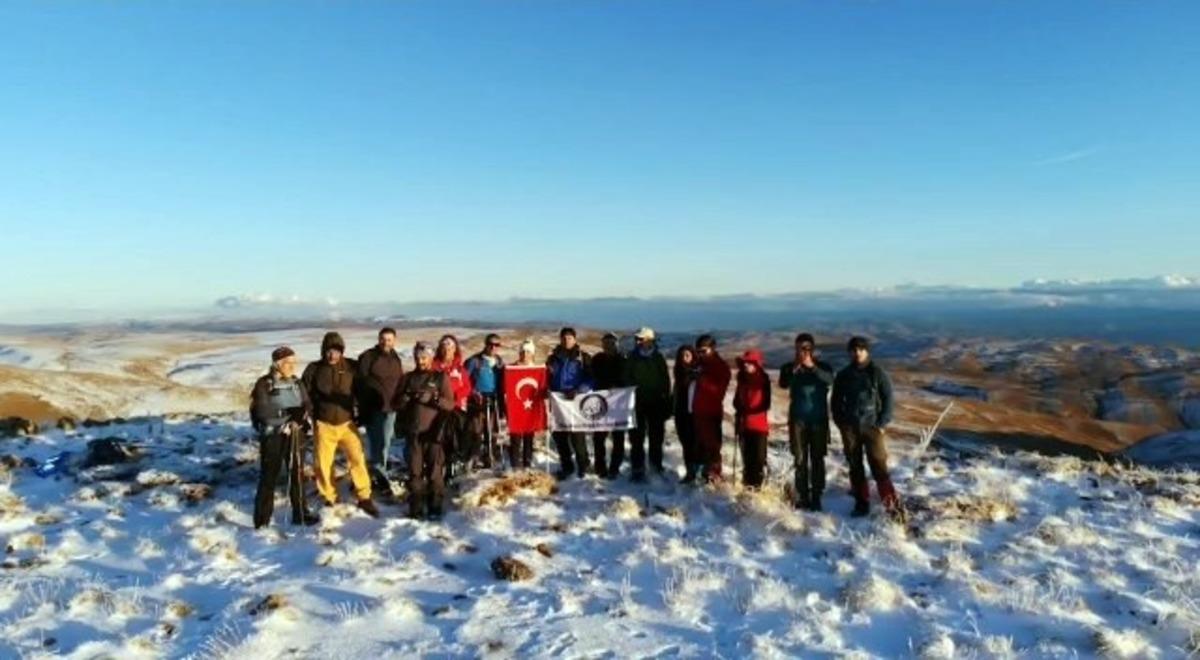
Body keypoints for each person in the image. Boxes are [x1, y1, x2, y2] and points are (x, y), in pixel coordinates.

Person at [302, 332, 379, 518]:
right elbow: (304, 393)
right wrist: (311, 414)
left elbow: (362, 390)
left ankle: (364, 496)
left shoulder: (351, 367)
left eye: (336, 351)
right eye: (329, 351)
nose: (332, 355)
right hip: (324, 423)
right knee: (323, 463)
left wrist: (363, 413)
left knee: (357, 458)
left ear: (342, 352)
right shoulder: (314, 369)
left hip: (347, 423)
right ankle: (329, 497)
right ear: (323, 351)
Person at [250, 346, 318, 528]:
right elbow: (262, 411)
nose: (292, 366)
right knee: (269, 476)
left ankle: (300, 513)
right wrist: (289, 414)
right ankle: (262, 520)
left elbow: (307, 404)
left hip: (295, 434)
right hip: (273, 435)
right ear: (277, 364)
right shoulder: (264, 384)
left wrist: (302, 416)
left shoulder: (297, 383)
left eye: (294, 362)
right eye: (288, 362)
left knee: (297, 473)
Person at [832, 336, 898, 518]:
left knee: (879, 464)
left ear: (867, 351)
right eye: (854, 350)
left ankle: (892, 506)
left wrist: (881, 423)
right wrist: (841, 423)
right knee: (855, 465)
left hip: (872, 427)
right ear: (849, 352)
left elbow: (888, 399)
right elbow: (836, 401)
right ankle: (861, 504)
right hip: (850, 428)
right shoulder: (844, 375)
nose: (857, 353)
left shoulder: (877, 373)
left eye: (861, 349)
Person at [394, 341, 456, 520]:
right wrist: (404, 399)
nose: (420, 361)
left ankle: (435, 506)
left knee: (434, 472)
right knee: (414, 472)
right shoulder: (407, 378)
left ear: (431, 358)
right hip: (414, 433)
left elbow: (450, 404)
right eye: (418, 357)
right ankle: (416, 507)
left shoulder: (440, 378)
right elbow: (395, 403)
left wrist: (434, 399)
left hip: (434, 433)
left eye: (424, 358)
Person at [779, 333, 834, 511]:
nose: (803, 351)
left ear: (813, 349)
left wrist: (813, 368)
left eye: (807, 348)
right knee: (800, 458)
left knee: (817, 459)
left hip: (819, 420)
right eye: (799, 348)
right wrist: (794, 370)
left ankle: (817, 495)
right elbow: (783, 384)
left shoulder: (823, 367)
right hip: (798, 421)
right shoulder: (789, 367)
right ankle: (803, 495)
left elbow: (829, 380)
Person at [356, 327, 404, 489]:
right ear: (378, 339)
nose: (386, 342)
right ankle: (379, 475)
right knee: (377, 443)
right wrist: (363, 406)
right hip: (374, 407)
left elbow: (399, 381)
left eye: (389, 340)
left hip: (392, 407)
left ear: (394, 341)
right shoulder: (368, 357)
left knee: (386, 442)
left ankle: (379, 471)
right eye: (383, 339)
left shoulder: (395, 357)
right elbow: (360, 382)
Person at [623, 327, 672, 482]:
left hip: (656, 402)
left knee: (656, 437)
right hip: (637, 403)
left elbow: (665, 380)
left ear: (650, 340)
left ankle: (656, 466)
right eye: (637, 339)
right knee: (636, 438)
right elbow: (626, 377)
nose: (637, 341)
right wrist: (631, 392)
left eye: (641, 339)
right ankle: (637, 468)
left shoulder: (658, 358)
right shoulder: (632, 357)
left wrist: (665, 399)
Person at [546, 327, 594, 480]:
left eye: (569, 338)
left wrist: (579, 389)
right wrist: (547, 389)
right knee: (560, 437)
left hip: (575, 400)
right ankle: (567, 466)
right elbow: (546, 377)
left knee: (577, 435)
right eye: (564, 338)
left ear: (575, 339)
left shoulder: (583, 357)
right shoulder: (553, 358)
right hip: (558, 401)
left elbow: (591, 378)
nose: (567, 340)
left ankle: (583, 465)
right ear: (560, 339)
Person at [693, 335, 732, 483]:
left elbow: (718, 392)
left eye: (703, 351)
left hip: (711, 412)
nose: (700, 354)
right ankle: (700, 474)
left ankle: (714, 475)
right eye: (698, 351)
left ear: (713, 349)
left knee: (712, 446)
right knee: (699, 445)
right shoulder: (699, 364)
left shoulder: (721, 367)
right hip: (697, 411)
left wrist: (701, 379)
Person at [464, 333, 506, 469]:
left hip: (494, 400)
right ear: (486, 344)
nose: (493, 347)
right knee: (476, 430)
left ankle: (490, 456)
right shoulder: (474, 361)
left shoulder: (499, 362)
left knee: (492, 430)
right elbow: (464, 380)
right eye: (490, 344)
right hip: (477, 401)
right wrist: (473, 392)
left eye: (497, 345)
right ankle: (473, 457)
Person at [433, 334, 474, 472]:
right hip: (439, 408)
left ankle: (457, 460)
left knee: (459, 434)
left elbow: (467, 387)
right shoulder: (435, 367)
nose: (447, 352)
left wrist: (456, 396)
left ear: (455, 350)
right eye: (444, 349)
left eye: (450, 349)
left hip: (457, 407)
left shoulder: (460, 369)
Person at [589, 332, 627, 479]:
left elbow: (628, 378)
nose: (608, 346)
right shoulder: (597, 359)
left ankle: (615, 467)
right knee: (598, 437)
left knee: (618, 437)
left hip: (619, 404)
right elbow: (591, 376)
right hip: (601, 402)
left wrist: (619, 386)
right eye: (605, 344)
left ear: (616, 345)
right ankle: (600, 467)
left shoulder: (623, 360)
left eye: (611, 343)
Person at [733, 349, 771, 489]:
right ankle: (748, 487)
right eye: (745, 362)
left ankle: (758, 488)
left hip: (759, 426)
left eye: (749, 363)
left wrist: (746, 411)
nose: (746, 365)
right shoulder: (741, 379)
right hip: (744, 425)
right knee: (747, 460)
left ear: (757, 364)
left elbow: (766, 404)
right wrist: (740, 412)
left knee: (759, 460)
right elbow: (736, 401)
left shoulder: (764, 380)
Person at [505, 339, 545, 469]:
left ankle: (527, 463)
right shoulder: (512, 369)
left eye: (528, 351)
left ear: (532, 354)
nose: (525, 354)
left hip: (530, 409)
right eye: (522, 351)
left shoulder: (536, 370)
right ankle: (515, 465)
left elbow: (542, 386)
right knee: (515, 437)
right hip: (516, 408)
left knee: (529, 436)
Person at [673, 345, 701, 484]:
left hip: (695, 415)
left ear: (693, 356)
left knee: (697, 444)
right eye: (682, 355)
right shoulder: (679, 372)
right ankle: (690, 473)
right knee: (686, 444)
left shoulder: (699, 373)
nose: (684, 358)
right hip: (681, 414)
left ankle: (699, 473)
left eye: (687, 355)